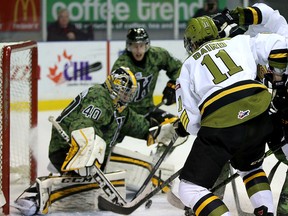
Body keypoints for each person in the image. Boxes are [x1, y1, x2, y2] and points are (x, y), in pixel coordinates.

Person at [12, 67, 176, 215]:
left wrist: (167, 130)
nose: (127, 96)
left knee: (134, 165)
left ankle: (154, 178)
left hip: (94, 158)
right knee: (94, 147)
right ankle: (35, 197)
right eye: (124, 92)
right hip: (66, 150)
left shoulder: (120, 109)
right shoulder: (99, 96)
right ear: (114, 87)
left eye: (129, 93)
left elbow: (140, 127)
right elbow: (83, 125)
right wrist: (87, 153)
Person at [175, 15, 288, 215]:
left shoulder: (188, 65)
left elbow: (191, 122)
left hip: (222, 124)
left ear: (192, 42)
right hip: (259, 114)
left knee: (189, 188)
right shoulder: (240, 41)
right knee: (251, 168)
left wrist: (220, 138)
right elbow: (280, 45)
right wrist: (278, 79)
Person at [212, 3, 288, 215]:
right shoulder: (241, 46)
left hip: (278, 119)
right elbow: (262, 12)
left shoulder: (281, 36)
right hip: (251, 116)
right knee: (221, 146)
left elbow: (265, 13)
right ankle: (210, 198)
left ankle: (283, 210)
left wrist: (233, 16)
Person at [111, 27, 182, 124]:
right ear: (129, 46)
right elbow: (113, 94)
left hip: (149, 111)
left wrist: (174, 85)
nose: (139, 50)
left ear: (147, 45)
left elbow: (178, 68)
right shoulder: (121, 65)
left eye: (141, 45)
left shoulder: (157, 55)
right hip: (126, 114)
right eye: (135, 46)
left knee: (175, 127)